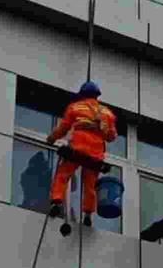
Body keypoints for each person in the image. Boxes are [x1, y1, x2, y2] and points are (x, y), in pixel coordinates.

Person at [46, 81, 117, 226]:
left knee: (63, 174)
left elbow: (64, 127)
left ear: (82, 94)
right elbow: (111, 137)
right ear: (97, 96)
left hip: (78, 147)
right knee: (90, 185)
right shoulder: (108, 113)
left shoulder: (75, 107)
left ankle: (56, 201)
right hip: (96, 153)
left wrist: (51, 138)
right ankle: (88, 214)